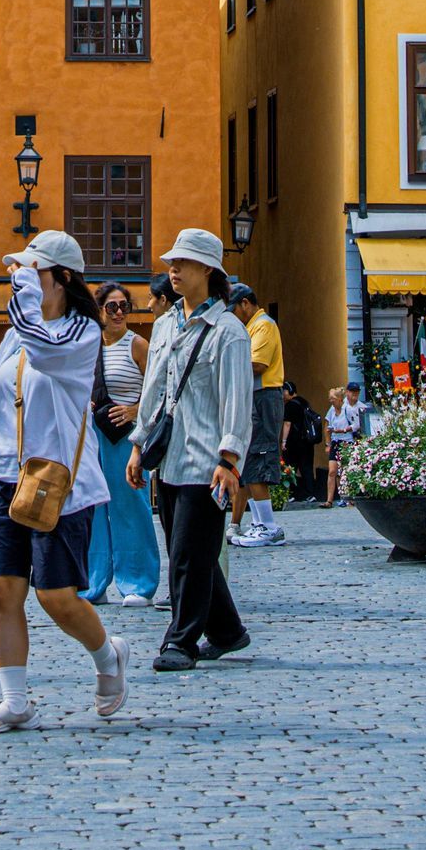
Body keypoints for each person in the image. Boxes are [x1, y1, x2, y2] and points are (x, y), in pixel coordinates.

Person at [0, 232, 127, 733]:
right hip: (3, 473)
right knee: (3, 591)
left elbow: (47, 354)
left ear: (63, 279)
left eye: (34, 272)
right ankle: (15, 701)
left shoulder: (80, 334)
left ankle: (108, 655)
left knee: (56, 596)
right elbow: (7, 404)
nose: (21, 280)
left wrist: (24, 295)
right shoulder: (20, 332)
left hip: (57, 480)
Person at [128, 230, 254, 672]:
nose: (173, 270)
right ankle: (228, 630)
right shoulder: (164, 325)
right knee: (190, 550)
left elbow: (237, 402)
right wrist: (139, 445)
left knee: (186, 554)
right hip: (171, 458)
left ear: (209, 271)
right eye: (172, 262)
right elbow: (155, 391)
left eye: (183, 263)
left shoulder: (229, 332)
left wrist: (229, 460)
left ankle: (180, 641)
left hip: (208, 462)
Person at [84, 282, 160, 605]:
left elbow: (158, 390)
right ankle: (94, 582)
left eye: (124, 306)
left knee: (131, 509)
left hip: (128, 437)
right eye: (111, 307)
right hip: (95, 436)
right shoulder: (89, 346)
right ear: (100, 311)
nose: (118, 312)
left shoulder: (138, 345)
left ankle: (138, 583)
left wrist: (133, 409)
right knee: (94, 510)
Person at [229, 281, 287, 548]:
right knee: (251, 461)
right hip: (256, 397)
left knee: (259, 457)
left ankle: (269, 526)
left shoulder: (263, 324)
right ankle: (259, 523)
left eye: (235, 309)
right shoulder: (251, 326)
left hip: (264, 397)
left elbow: (258, 364)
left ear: (245, 303)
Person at [283, 383, 322, 506]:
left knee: (291, 468)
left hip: (294, 442)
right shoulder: (304, 402)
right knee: (307, 467)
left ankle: (292, 494)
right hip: (307, 441)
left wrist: (283, 441)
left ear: (289, 391)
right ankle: (310, 494)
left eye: (283, 391)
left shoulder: (290, 405)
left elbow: (287, 424)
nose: (282, 395)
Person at [324, 386, 360, 505]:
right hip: (335, 442)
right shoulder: (332, 410)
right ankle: (329, 500)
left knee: (344, 470)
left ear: (340, 399)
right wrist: (328, 443)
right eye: (330, 399)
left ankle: (345, 497)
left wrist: (343, 430)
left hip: (346, 442)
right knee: (332, 471)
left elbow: (356, 425)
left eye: (333, 399)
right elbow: (327, 426)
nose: (331, 401)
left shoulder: (347, 409)